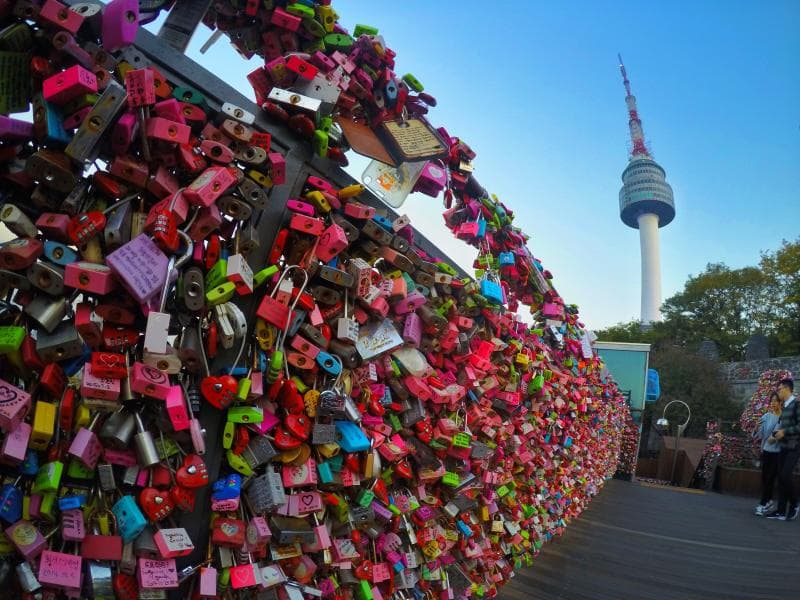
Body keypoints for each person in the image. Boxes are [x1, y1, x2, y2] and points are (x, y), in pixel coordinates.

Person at [765, 378, 799, 521]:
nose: (778, 392)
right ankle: (780, 511)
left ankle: (794, 504)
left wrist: (784, 432)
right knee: (781, 478)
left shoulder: (796, 405)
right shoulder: (785, 406)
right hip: (783, 446)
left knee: (785, 476)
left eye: (779, 389)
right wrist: (777, 434)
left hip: (794, 446)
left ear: (786, 388)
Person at [753, 393, 782, 515]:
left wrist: (776, 437)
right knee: (765, 478)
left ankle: (762, 504)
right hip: (766, 451)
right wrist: (756, 428)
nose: (774, 403)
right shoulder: (767, 416)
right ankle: (769, 500)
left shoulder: (784, 418)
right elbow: (759, 434)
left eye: (776, 401)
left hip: (778, 453)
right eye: (772, 401)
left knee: (770, 478)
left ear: (781, 403)